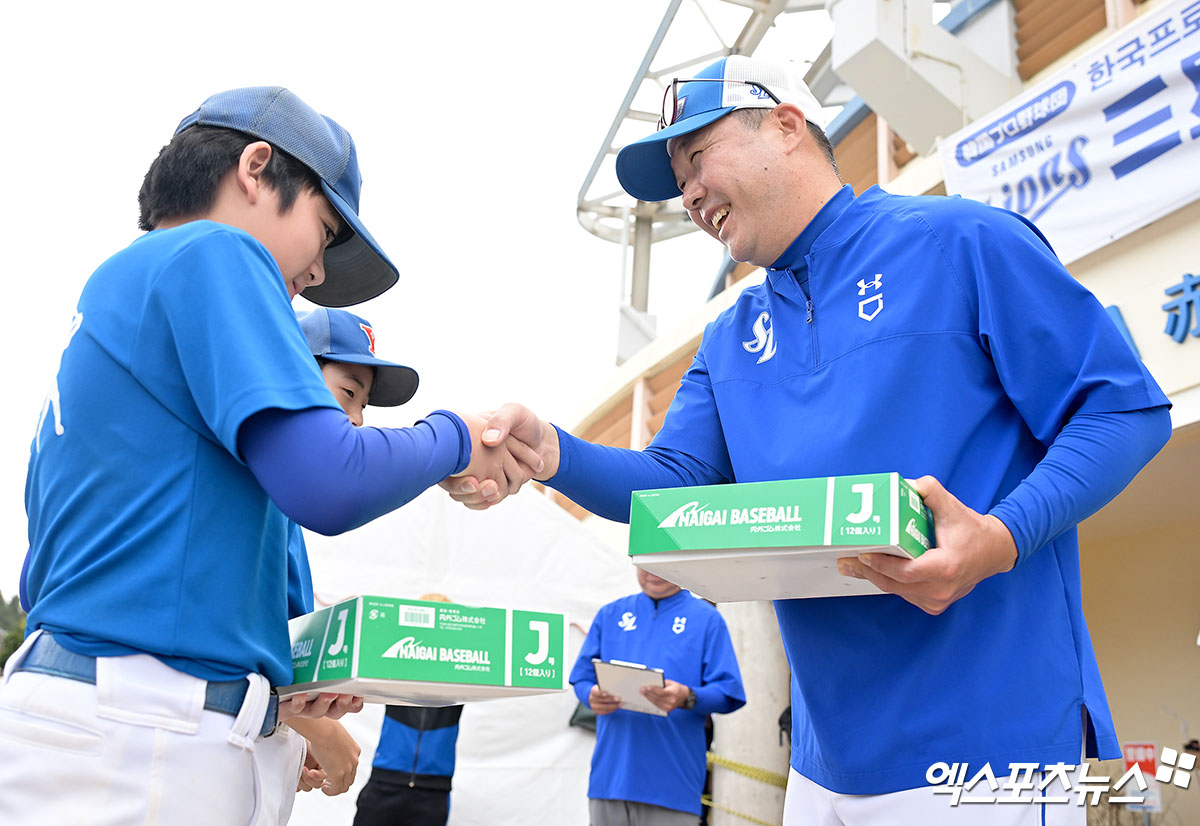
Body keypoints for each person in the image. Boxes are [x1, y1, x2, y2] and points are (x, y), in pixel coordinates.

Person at [447, 56, 1173, 825]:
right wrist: (551, 453)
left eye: (697, 159)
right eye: (678, 179)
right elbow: (674, 484)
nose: (689, 194)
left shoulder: (961, 241)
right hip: (824, 770)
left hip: (993, 748)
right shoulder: (730, 337)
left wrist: (999, 537)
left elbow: (1124, 411)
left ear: (788, 125)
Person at [1, 86, 539, 826]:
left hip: (113, 723)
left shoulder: (119, 290)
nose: (317, 274)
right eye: (325, 227)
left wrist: (280, 683)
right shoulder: (213, 250)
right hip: (141, 737)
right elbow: (329, 484)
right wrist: (453, 436)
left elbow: (58, 584)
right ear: (256, 169)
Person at [570, 567, 745, 826]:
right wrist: (591, 695)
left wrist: (687, 697)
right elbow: (581, 677)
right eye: (645, 563)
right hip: (610, 779)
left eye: (661, 563)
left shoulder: (706, 619)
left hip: (674, 784)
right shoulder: (610, 614)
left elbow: (729, 693)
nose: (653, 572)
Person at [352, 594, 464, 826]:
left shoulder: (462, 673)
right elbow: (371, 641)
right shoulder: (397, 662)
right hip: (385, 781)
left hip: (433, 789)